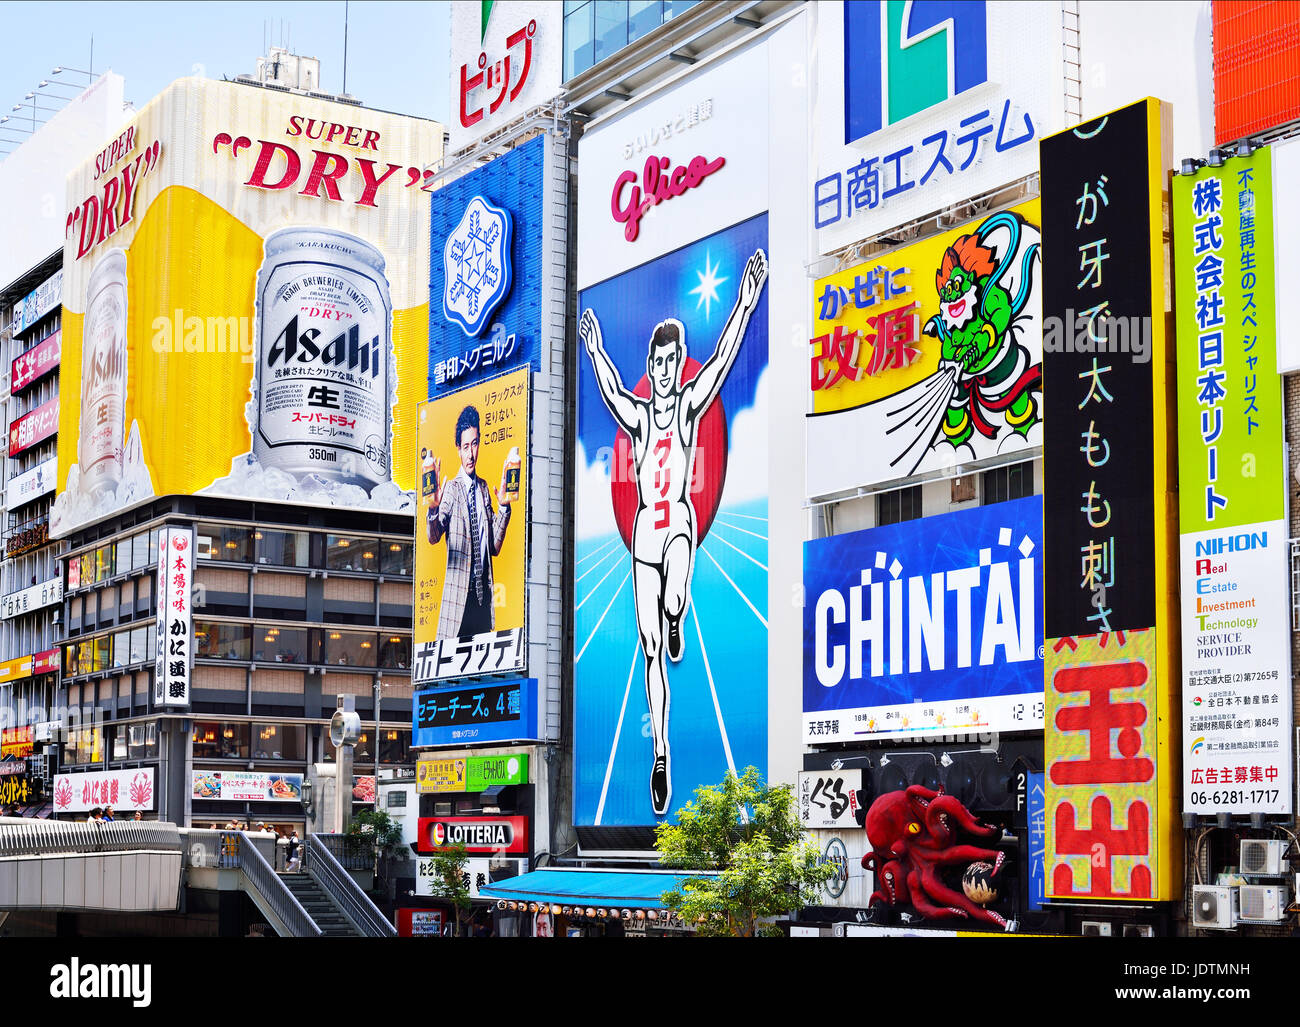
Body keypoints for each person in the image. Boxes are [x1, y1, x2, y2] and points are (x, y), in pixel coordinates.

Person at [578, 248, 768, 816]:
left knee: (676, 599)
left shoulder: (686, 408)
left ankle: (677, 611)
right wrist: (594, 349)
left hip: (678, 522)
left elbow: (726, 359)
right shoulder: (639, 417)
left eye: (671, 361)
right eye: (656, 362)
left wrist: (745, 300)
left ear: (679, 360)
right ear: (652, 363)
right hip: (644, 535)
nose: (663, 371)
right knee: (650, 649)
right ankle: (661, 752)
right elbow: (611, 390)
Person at [426, 405, 513, 640]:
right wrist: (433, 510)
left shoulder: (484, 488)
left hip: (483, 605)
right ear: (458, 449)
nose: (471, 454)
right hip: (457, 609)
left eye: (474, 444)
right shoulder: (452, 490)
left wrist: (504, 507)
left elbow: (494, 547)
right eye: (465, 447)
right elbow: (433, 536)